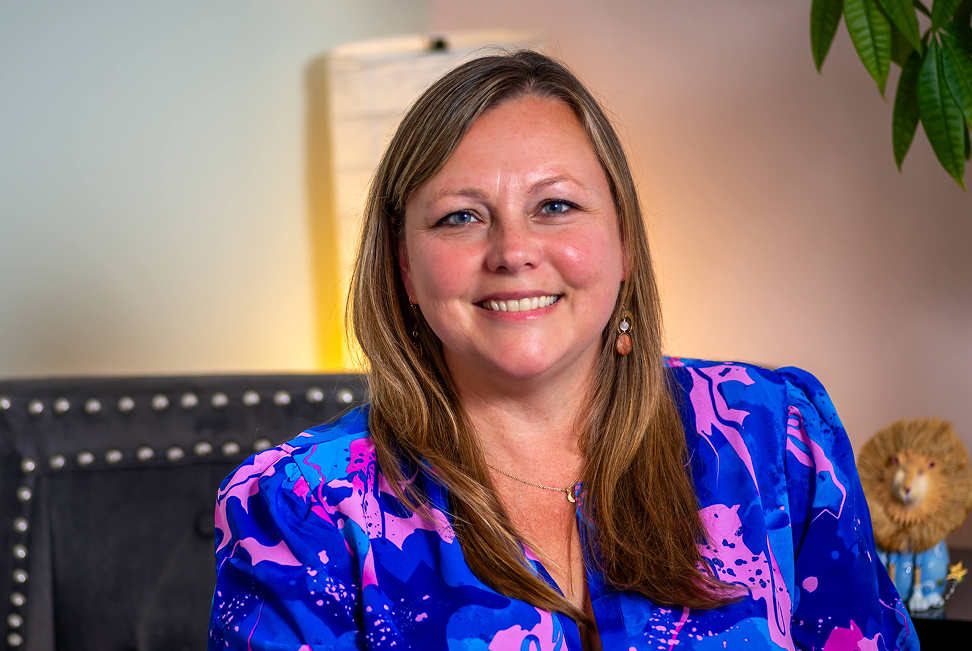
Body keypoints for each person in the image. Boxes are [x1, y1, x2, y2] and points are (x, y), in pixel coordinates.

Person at [208, 51, 917, 651]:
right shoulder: (300, 509)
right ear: (404, 269)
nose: (513, 252)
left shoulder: (778, 435)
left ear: (624, 243)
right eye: (461, 216)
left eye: (555, 206)